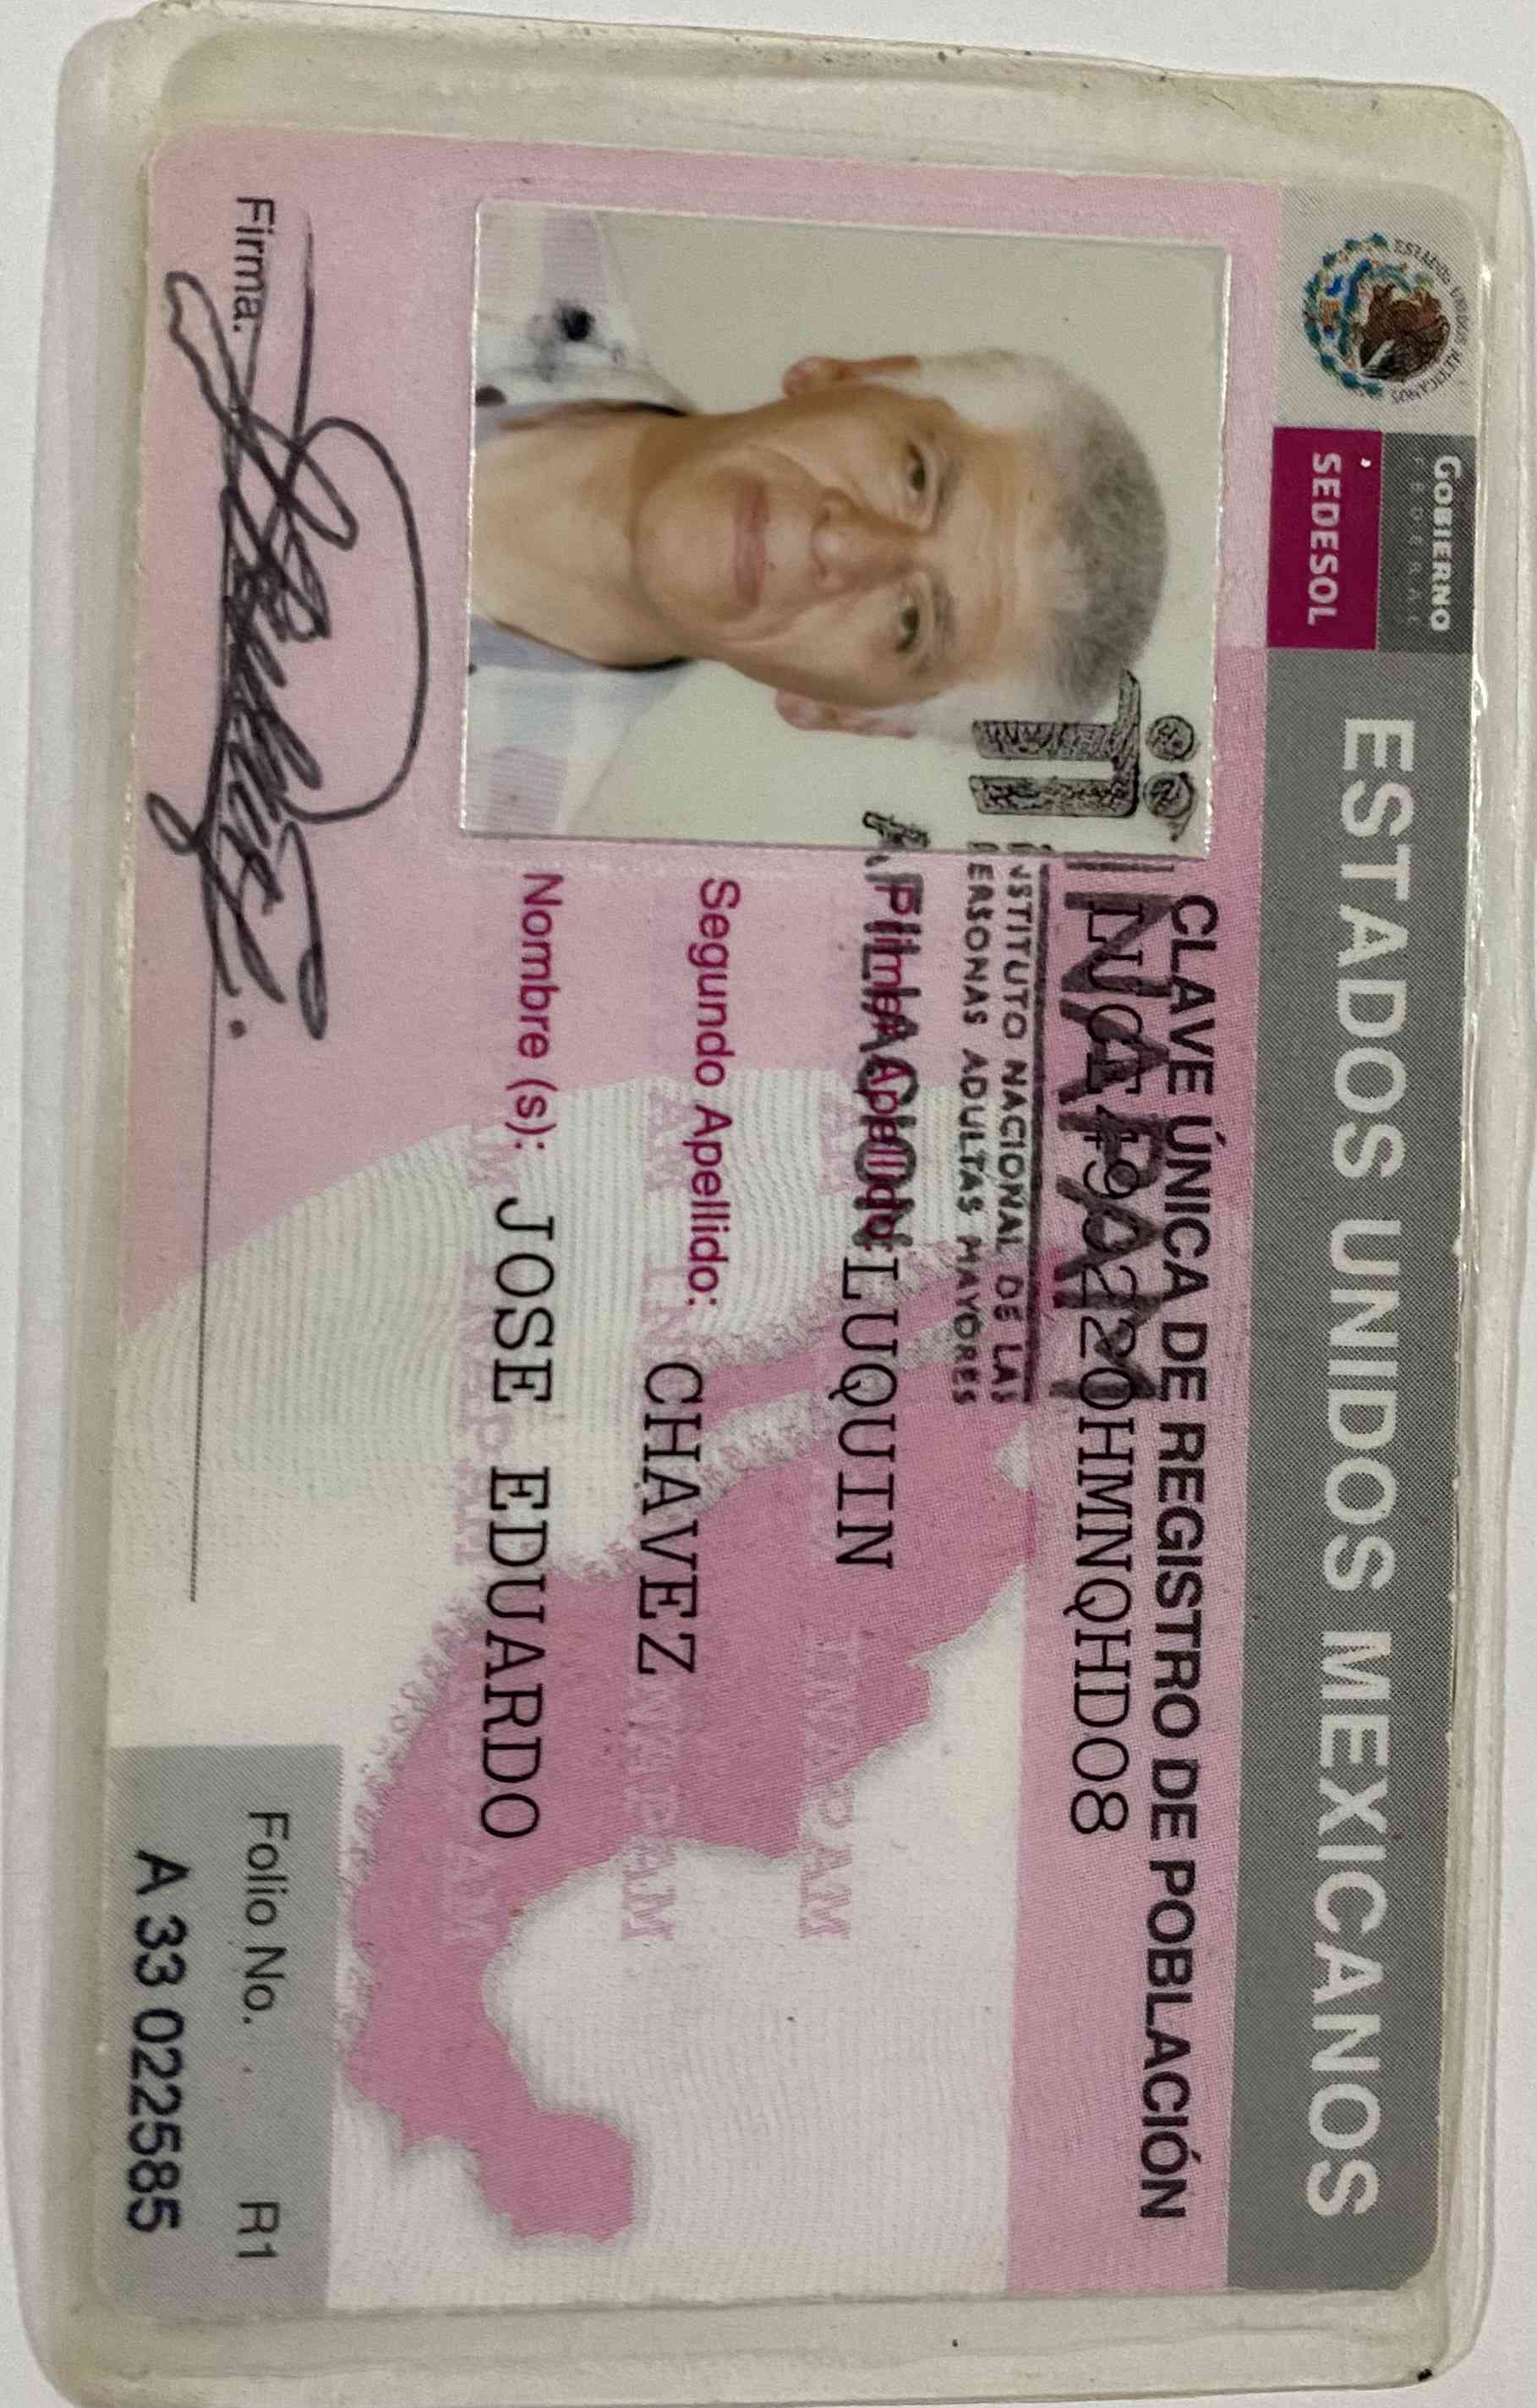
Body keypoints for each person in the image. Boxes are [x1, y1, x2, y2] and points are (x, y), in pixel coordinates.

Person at [464, 212, 1166, 833]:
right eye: (916, 477)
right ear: (854, 375)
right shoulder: (504, 224)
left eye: (910, 623)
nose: (840, 543)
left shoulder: (489, 822)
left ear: (843, 714)